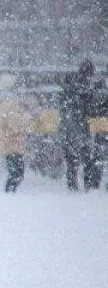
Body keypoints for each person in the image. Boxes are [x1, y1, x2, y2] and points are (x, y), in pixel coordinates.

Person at [56, 59, 105, 192]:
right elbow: (93, 106)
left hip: (66, 127)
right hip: (79, 128)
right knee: (87, 161)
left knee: (71, 162)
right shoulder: (85, 87)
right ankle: (88, 189)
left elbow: (61, 103)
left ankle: (73, 189)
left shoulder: (70, 85)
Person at [0, 73, 37, 193]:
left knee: (16, 173)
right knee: (17, 173)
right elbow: (16, 125)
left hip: (11, 145)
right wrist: (28, 119)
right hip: (12, 145)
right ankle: (9, 195)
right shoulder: (10, 105)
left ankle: (9, 195)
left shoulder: (7, 104)